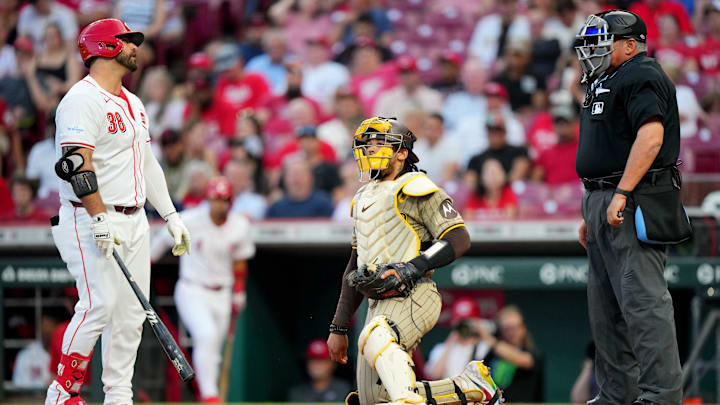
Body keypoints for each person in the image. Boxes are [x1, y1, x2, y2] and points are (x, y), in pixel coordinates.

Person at [45, 19, 191, 405]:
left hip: (135, 218)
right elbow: (76, 162)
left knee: (129, 319)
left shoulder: (133, 101)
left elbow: (148, 163)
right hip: (86, 215)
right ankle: (62, 393)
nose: (134, 47)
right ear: (104, 47)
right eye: (127, 40)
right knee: (99, 305)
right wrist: (98, 218)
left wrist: (171, 215)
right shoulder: (81, 99)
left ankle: (118, 397)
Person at [326, 116, 502, 405]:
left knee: (377, 336)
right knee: (375, 400)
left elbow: (458, 238)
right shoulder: (361, 198)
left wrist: (413, 266)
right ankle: (469, 385)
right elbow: (354, 267)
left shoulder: (415, 185)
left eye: (380, 143)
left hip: (415, 292)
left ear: (402, 152)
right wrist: (339, 327)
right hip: (376, 303)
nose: (370, 149)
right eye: (367, 144)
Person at [575, 10, 683, 405]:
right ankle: (618, 395)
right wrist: (591, 206)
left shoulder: (642, 74)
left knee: (643, 305)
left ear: (631, 44)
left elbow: (651, 137)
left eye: (601, 41)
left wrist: (619, 192)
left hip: (635, 197)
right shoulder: (603, 79)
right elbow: (601, 151)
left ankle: (660, 397)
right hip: (602, 198)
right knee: (607, 312)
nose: (591, 50)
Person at [151, 177, 255, 403]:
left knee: (214, 350)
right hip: (192, 289)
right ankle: (210, 395)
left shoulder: (240, 225)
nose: (219, 205)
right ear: (208, 199)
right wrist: (145, 265)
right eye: (215, 200)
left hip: (223, 292)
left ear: (231, 201)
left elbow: (240, 261)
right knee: (205, 335)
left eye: (224, 200)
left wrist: (239, 292)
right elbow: (160, 242)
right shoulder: (190, 219)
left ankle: (207, 394)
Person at [479, 305, 543, 403]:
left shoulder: (531, 352)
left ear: (523, 328)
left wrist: (488, 338)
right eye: (508, 329)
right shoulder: (491, 354)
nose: (513, 332)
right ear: (500, 331)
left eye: (516, 327)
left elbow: (523, 360)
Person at [425, 297, 492, 380]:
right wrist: (450, 342)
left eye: (467, 322)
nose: (464, 327)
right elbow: (434, 375)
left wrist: (482, 333)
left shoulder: (484, 346)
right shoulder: (442, 348)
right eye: (461, 323)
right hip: (450, 391)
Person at [266, 156, 334, 218]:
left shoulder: (324, 204)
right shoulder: (276, 208)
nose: (296, 179)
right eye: (292, 174)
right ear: (284, 179)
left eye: (301, 174)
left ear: (311, 178)